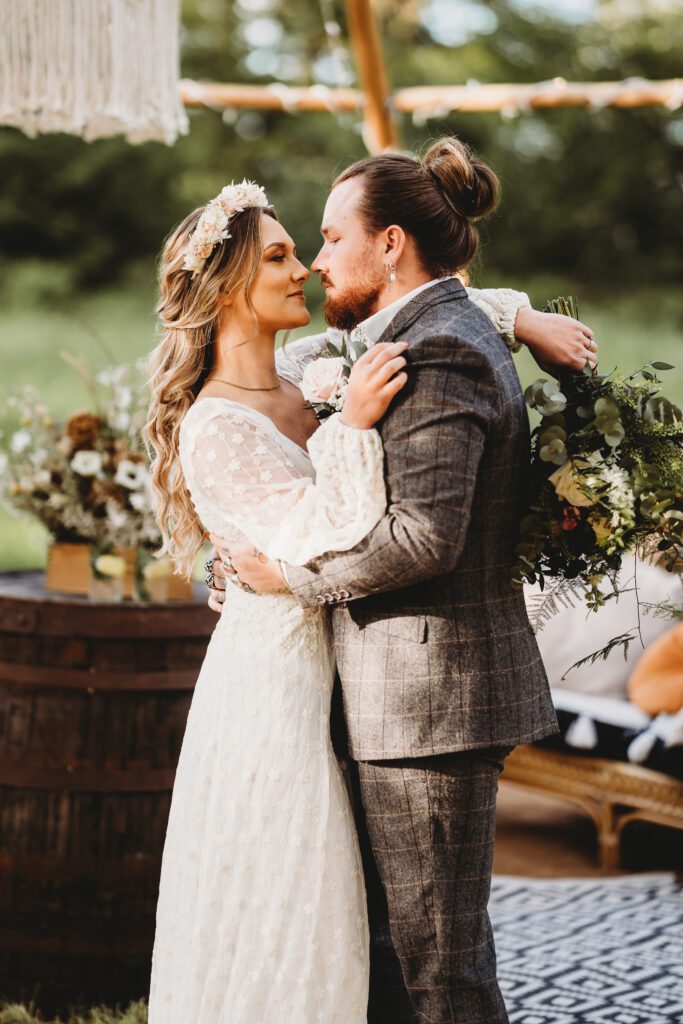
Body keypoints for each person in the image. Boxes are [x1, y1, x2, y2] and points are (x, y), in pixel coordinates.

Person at [147, 141, 595, 1024]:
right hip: (307, 682)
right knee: (354, 933)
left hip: (413, 693)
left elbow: (414, 536)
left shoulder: (336, 364)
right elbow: (282, 511)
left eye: (314, 240)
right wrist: (246, 556)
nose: (309, 263)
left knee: (432, 962)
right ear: (227, 285)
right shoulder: (316, 371)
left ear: (387, 244)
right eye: (281, 252)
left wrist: (523, 316)